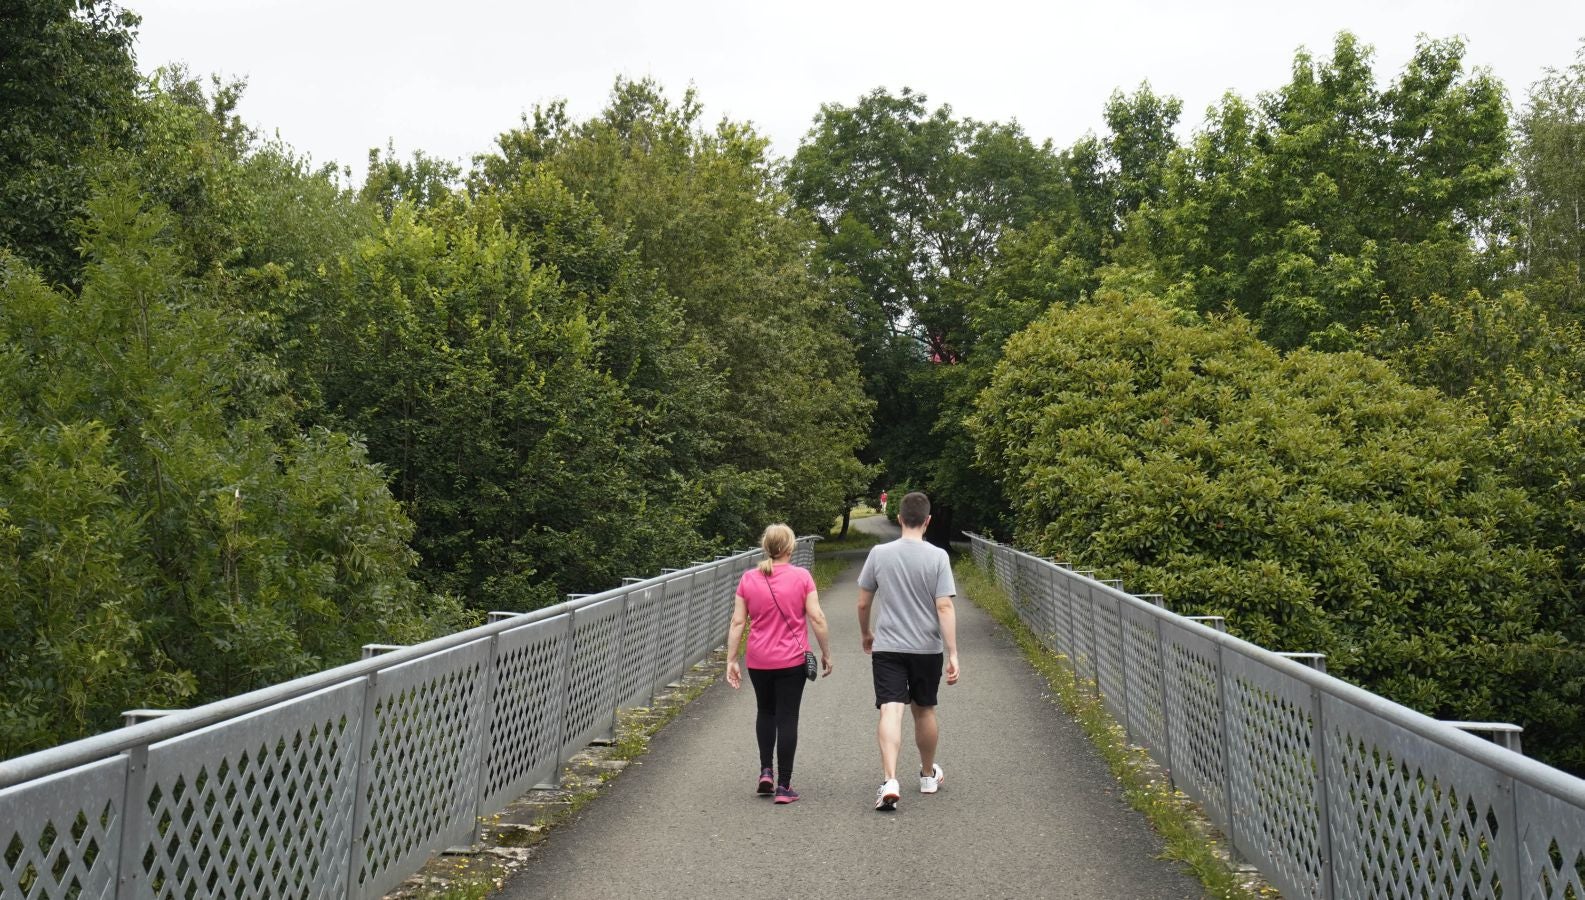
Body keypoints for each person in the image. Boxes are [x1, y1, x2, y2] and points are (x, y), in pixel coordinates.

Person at [857, 491, 959, 811]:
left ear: (899, 518)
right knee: (924, 709)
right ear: (928, 521)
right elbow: (944, 606)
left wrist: (866, 633)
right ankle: (928, 775)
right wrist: (953, 652)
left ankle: (890, 780)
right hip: (927, 648)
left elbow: (863, 601)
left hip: (888, 646)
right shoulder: (938, 557)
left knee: (891, 709)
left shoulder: (879, 553)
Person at [724, 523, 833, 804]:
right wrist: (826, 653)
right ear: (789, 547)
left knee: (765, 711)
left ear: (766, 547)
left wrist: (732, 659)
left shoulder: (748, 579)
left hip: (759, 660)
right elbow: (817, 617)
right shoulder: (802, 577)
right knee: (787, 717)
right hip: (791, 661)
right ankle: (784, 786)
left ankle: (765, 772)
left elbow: (738, 621)